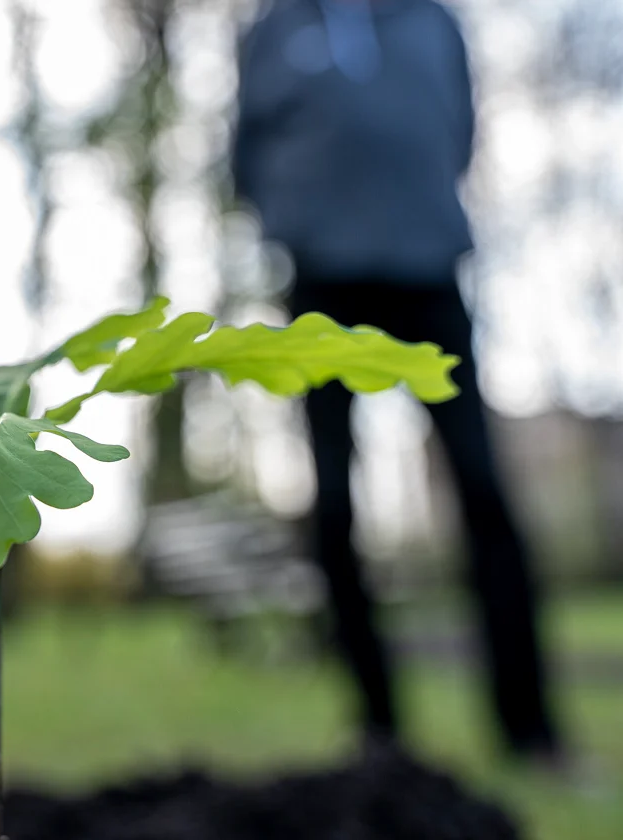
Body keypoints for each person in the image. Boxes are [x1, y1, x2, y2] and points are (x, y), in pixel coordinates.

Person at [230, 0, 566, 765]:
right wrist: (303, 225)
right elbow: (244, 156)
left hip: (427, 273)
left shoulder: (433, 21)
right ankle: (378, 731)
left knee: (485, 494)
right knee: (336, 505)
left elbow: (461, 131)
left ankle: (531, 729)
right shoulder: (278, 28)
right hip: (323, 290)